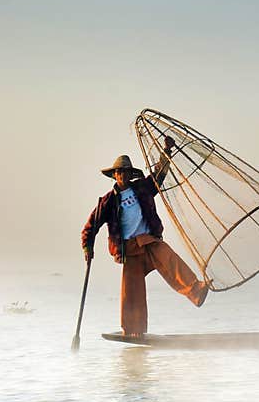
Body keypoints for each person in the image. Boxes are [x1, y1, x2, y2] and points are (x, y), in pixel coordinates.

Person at [81, 136, 208, 337]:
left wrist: (166, 151)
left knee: (170, 259)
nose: (122, 175)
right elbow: (90, 227)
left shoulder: (141, 187)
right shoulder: (107, 202)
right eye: (119, 172)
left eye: (125, 172)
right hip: (129, 250)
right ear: (114, 175)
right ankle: (133, 331)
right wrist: (88, 248)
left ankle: (196, 291)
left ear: (130, 174)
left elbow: (158, 175)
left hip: (148, 240)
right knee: (132, 292)